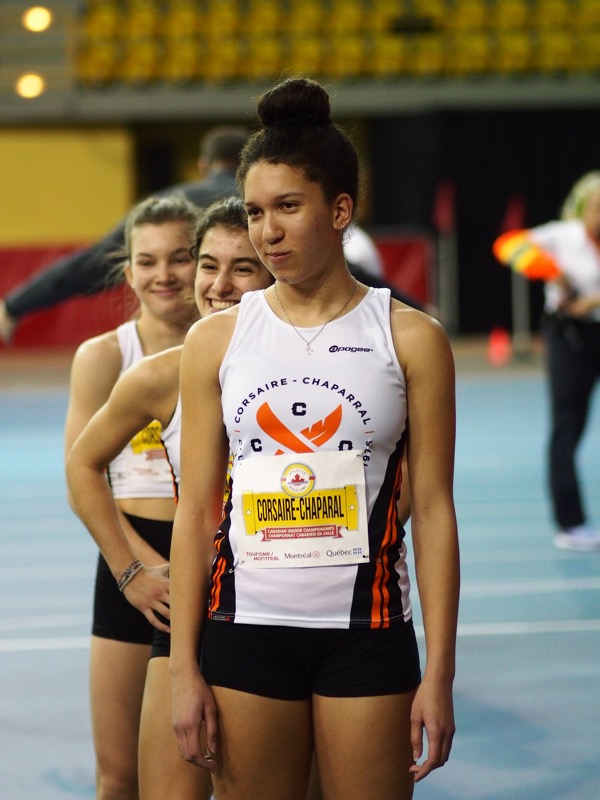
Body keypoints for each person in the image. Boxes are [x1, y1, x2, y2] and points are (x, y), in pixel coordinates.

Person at [169, 77, 459, 800]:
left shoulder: (412, 339)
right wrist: (182, 669)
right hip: (243, 630)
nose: (268, 231)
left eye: (288, 208)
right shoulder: (216, 340)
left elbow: (436, 510)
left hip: (369, 633)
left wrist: (439, 674)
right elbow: (196, 510)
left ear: (340, 210)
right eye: (258, 212)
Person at [64, 193, 201, 800]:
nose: (164, 275)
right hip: (129, 561)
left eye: (180, 258)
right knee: (121, 775)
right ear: (129, 273)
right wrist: (134, 570)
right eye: (148, 261)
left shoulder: (234, 350)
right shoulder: (103, 358)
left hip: (219, 556)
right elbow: (80, 474)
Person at [0, 125, 249, 343]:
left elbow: (86, 266)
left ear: (203, 166)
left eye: (180, 259)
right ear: (247, 165)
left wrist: (15, 305)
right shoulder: (259, 204)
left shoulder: (167, 202)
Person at [527, 171, 600, 551]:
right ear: (582, 207)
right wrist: (552, 273)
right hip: (571, 336)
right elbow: (511, 246)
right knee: (568, 427)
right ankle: (570, 523)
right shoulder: (561, 235)